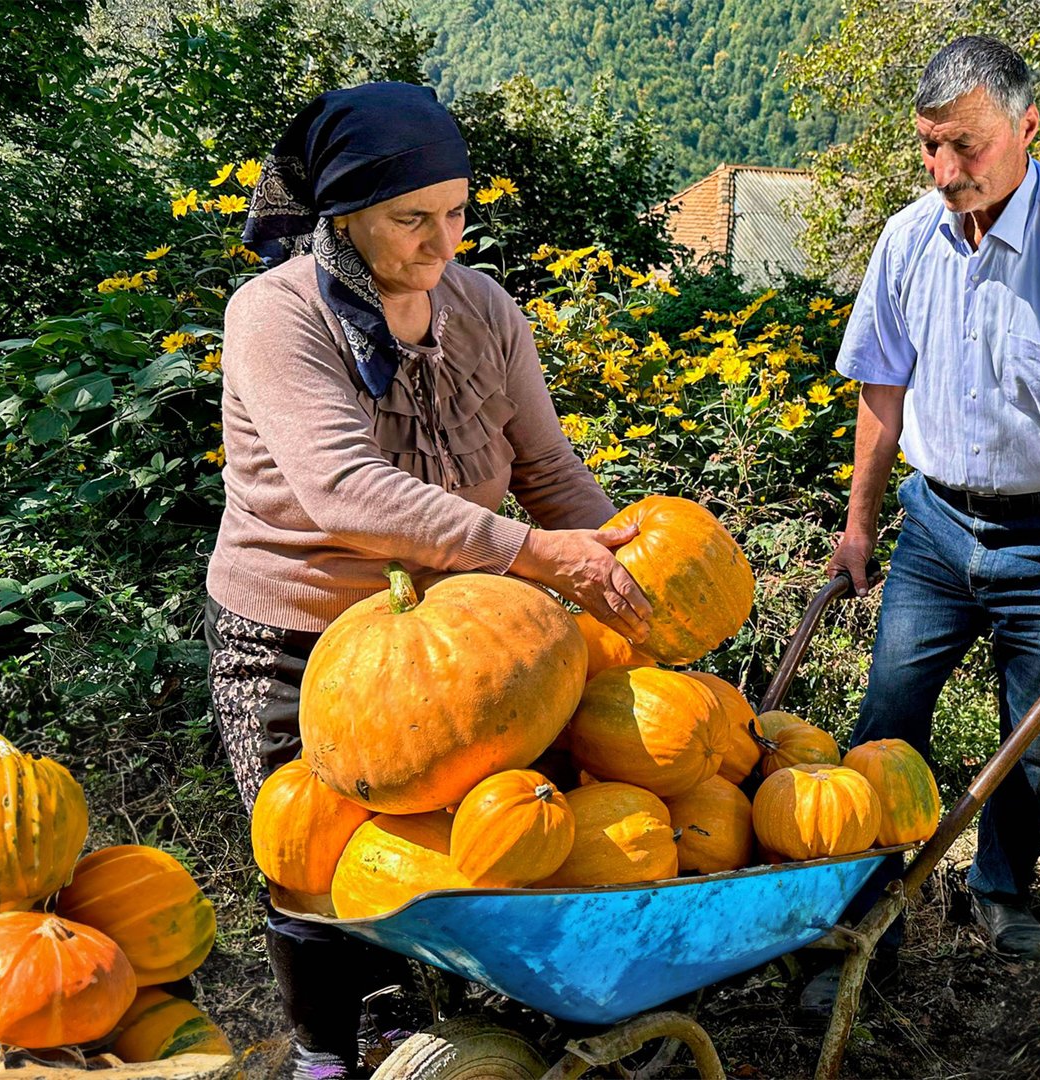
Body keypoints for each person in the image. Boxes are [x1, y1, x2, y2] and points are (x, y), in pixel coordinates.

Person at [203, 81, 651, 1079]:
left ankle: (421, 1024)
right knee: (315, 858)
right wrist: (534, 556)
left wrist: (622, 562)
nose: (443, 241)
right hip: (301, 634)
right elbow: (344, 490)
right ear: (344, 213)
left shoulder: (482, 308)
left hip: (458, 640)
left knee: (449, 852)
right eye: (413, 219)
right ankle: (326, 1054)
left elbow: (546, 467)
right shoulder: (276, 316)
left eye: (456, 212)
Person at [812, 34, 1040, 1002]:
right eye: (929, 146)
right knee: (886, 721)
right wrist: (859, 528)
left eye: (966, 147)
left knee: (1038, 737)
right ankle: (864, 919)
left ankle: (1001, 889)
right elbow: (881, 391)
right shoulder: (908, 240)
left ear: (1027, 129)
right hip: (936, 529)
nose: (945, 171)